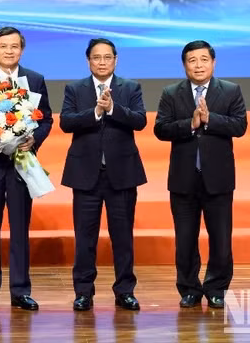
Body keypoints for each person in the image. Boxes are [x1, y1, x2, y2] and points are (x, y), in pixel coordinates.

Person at [153, 40, 247, 310]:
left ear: (213, 63)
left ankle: (217, 288)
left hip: (218, 179)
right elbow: (161, 129)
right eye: (192, 60)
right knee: (185, 239)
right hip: (184, 179)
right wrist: (190, 124)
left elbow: (240, 126)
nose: (198, 65)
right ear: (185, 65)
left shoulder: (230, 91)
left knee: (220, 238)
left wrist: (210, 119)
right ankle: (189, 289)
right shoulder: (172, 93)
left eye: (204, 59)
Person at [60, 38, 147, 312]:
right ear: (88, 61)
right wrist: (96, 112)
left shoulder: (130, 87)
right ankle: (83, 292)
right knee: (85, 237)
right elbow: (66, 122)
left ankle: (125, 291)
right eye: (96, 57)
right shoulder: (75, 88)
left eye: (107, 57)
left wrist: (112, 109)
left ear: (115, 60)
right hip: (86, 174)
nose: (101, 62)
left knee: (122, 237)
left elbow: (140, 120)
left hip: (121, 175)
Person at [0, 26, 53, 312]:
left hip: (22, 166)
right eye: (3, 46)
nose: (9, 51)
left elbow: (46, 121)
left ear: (22, 49)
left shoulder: (34, 79)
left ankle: (20, 290)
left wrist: (34, 139)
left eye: (15, 46)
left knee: (20, 229)